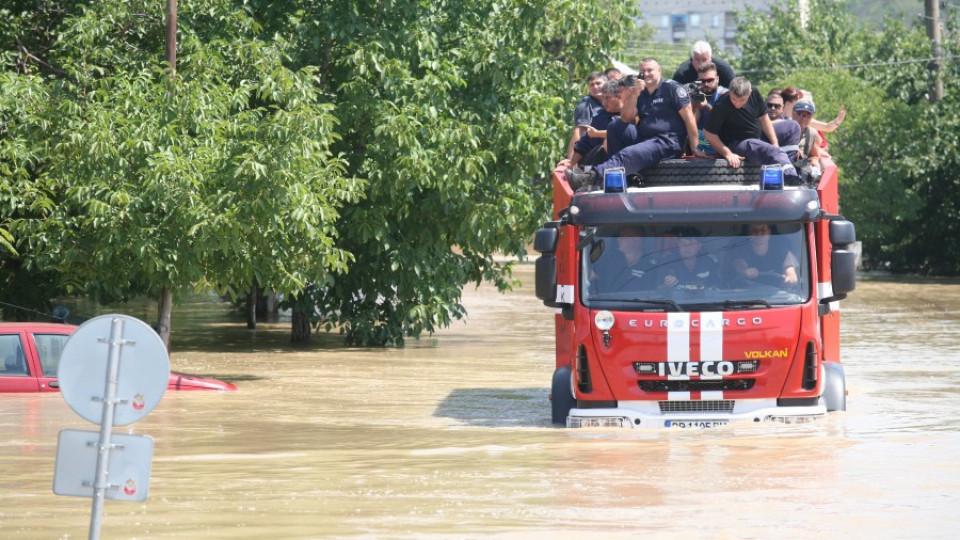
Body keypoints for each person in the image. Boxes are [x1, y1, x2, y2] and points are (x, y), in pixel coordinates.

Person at [562, 58, 705, 188]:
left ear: (659, 71)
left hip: (668, 141)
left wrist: (695, 148)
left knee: (627, 154)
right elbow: (625, 118)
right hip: (645, 138)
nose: (646, 74)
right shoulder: (640, 91)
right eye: (643, 71)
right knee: (615, 126)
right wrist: (634, 94)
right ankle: (628, 177)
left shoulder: (672, 88)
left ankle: (590, 177)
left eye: (650, 70)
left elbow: (689, 119)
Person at [703, 77, 800, 184]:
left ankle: (788, 165)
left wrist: (775, 143)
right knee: (772, 151)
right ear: (730, 92)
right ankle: (791, 177)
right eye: (734, 99)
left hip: (758, 135)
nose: (737, 103)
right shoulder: (721, 106)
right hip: (738, 143)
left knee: (793, 127)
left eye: (741, 100)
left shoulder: (754, 93)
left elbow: (763, 117)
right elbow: (709, 133)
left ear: (749, 93)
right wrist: (728, 154)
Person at [570, 79, 621, 167]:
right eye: (603, 98)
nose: (604, 102)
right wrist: (570, 164)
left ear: (620, 96)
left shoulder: (632, 114)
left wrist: (597, 134)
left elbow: (624, 133)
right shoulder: (600, 116)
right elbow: (585, 143)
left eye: (608, 98)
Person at [730, 224, 799, 285]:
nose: (759, 233)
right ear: (749, 234)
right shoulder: (740, 250)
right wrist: (745, 271)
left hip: (778, 296)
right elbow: (738, 264)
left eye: (763, 230)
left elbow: (792, 276)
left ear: (769, 232)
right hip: (745, 294)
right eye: (754, 230)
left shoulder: (783, 252)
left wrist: (788, 280)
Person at [566, 72, 607, 160]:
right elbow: (579, 133)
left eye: (598, 83)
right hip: (591, 154)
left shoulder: (612, 100)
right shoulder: (586, 104)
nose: (595, 87)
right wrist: (572, 162)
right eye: (592, 85)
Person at [691, 62, 727, 156]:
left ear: (717, 79)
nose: (706, 84)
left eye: (710, 80)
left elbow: (725, 123)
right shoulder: (698, 94)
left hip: (720, 139)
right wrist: (692, 107)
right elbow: (692, 124)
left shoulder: (725, 95)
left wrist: (706, 107)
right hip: (702, 139)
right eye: (702, 81)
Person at [791, 99, 824, 180]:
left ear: (812, 117)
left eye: (807, 115)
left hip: (800, 172)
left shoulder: (812, 133)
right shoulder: (783, 128)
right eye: (799, 114)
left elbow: (814, 156)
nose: (802, 118)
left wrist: (815, 166)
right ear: (793, 113)